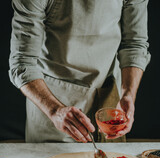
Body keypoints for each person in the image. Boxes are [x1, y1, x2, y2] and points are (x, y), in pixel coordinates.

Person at [9, 0, 150, 143]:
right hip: (52, 104)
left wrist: (128, 94)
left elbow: (134, 44)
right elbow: (23, 64)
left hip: (109, 100)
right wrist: (55, 111)